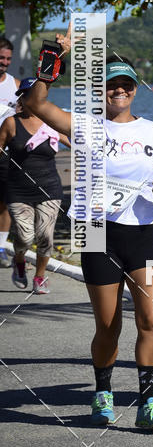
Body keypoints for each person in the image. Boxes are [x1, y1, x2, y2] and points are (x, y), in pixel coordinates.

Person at [24, 30, 153, 430]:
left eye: (125, 84)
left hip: (144, 231)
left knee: (150, 319)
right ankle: (103, 393)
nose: (118, 91)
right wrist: (53, 56)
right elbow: (35, 102)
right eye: (111, 85)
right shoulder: (85, 125)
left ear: (135, 89)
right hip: (97, 231)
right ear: (101, 92)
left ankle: (149, 403)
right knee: (108, 326)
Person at [0, 78, 70, 293]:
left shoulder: (52, 123)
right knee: (25, 235)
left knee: (45, 236)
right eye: (26, 94)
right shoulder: (11, 123)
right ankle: (19, 262)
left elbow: (76, 141)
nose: (30, 98)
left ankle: (39, 277)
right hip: (18, 189)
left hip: (49, 187)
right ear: (22, 98)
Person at [0, 36, 20, 268]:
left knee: (4, 202)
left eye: (7, 59)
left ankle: (1, 247)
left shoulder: (15, 86)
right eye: (1, 57)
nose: (4, 62)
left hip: (5, 152)